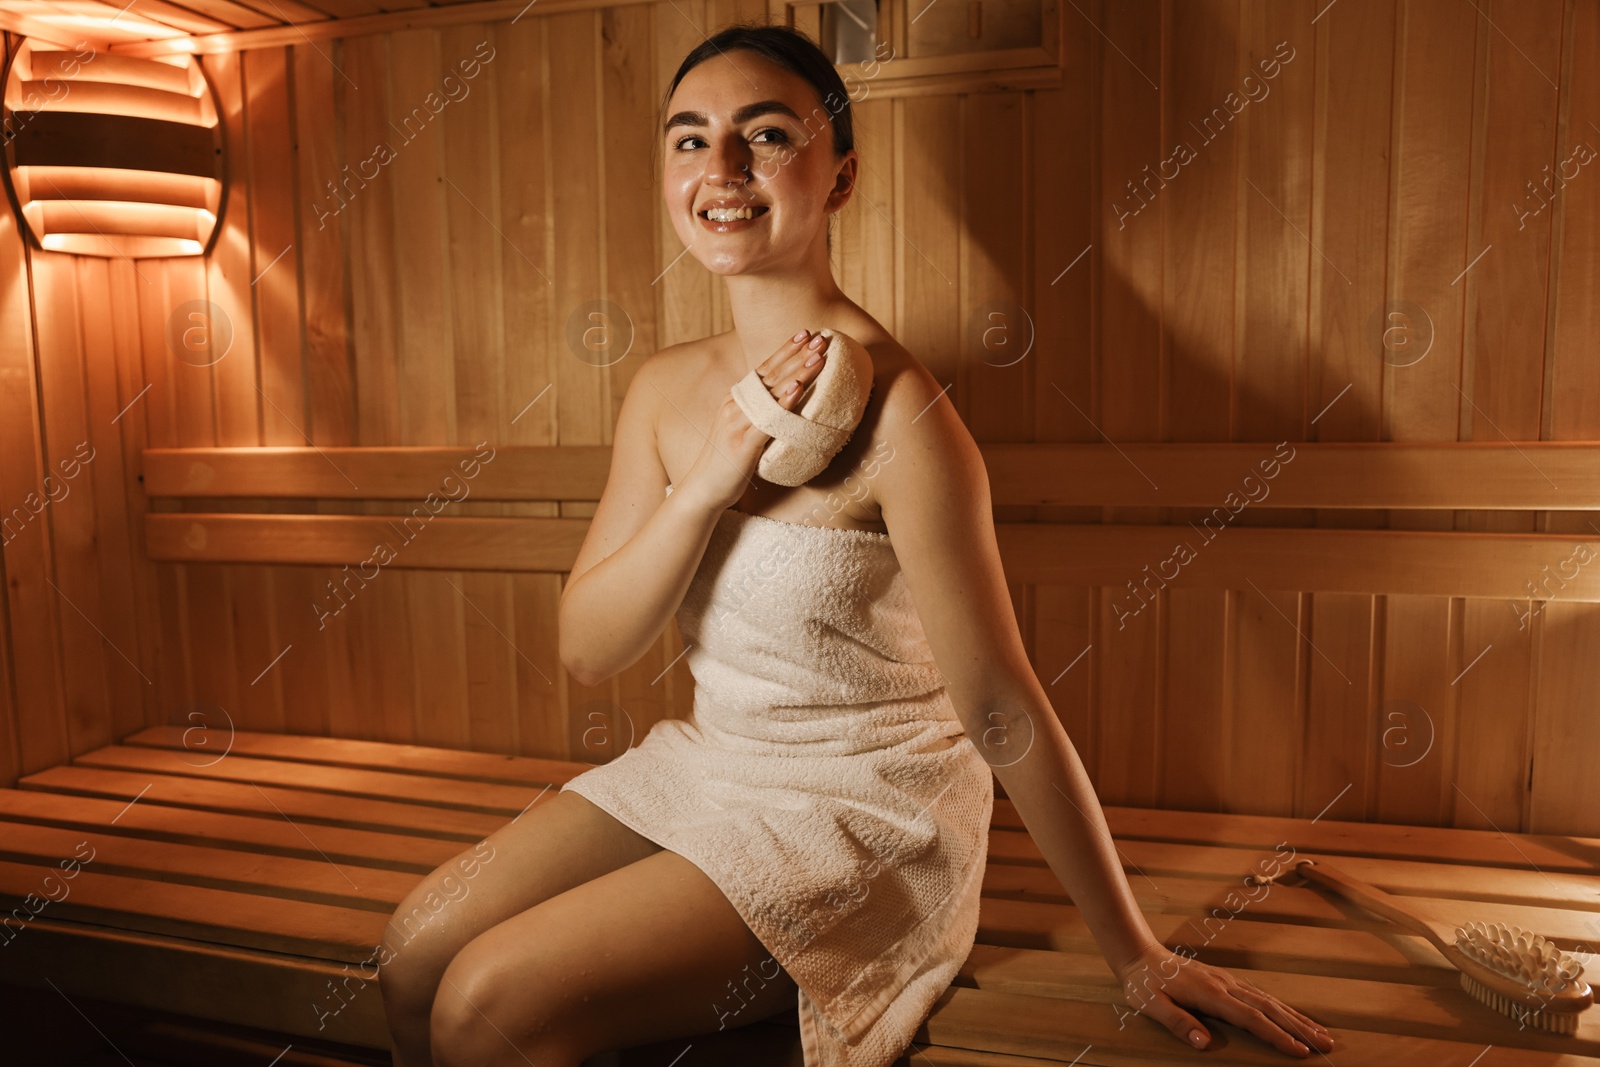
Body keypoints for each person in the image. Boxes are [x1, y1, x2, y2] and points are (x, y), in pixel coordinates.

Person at [377, 22, 1336, 1067]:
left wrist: (1135, 947)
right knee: (414, 954)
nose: (723, 168)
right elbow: (587, 647)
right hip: (711, 763)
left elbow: (1000, 704)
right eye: (690, 138)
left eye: (768, 135)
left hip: (860, 808)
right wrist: (705, 483)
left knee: (486, 1004)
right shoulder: (661, 389)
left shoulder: (905, 415)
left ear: (839, 177)